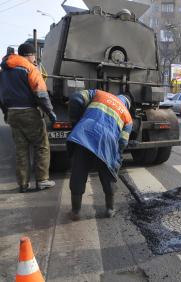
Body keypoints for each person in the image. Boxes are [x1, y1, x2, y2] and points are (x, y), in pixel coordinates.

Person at [67, 89, 132, 220]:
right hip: (107, 143)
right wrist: (116, 160)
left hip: (84, 135)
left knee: (78, 173)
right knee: (108, 175)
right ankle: (110, 209)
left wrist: (76, 122)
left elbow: (75, 98)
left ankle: (75, 212)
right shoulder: (128, 117)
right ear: (126, 104)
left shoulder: (98, 93)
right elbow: (123, 142)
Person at [0, 43, 56, 193]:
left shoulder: (4, 70)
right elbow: (41, 94)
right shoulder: (30, 68)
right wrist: (50, 112)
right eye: (34, 56)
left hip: (12, 113)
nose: (35, 59)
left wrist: (6, 112)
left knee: (21, 149)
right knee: (42, 146)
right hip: (29, 112)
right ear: (29, 55)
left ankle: (23, 184)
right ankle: (42, 180)